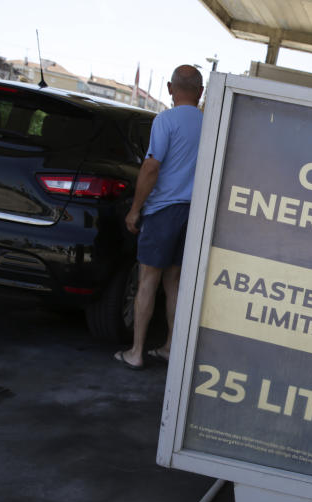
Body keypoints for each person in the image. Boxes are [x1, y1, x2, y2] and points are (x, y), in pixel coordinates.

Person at [114, 65, 204, 370]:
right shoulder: (208, 124)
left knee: (148, 281)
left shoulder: (166, 120)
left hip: (163, 211)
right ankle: (168, 347)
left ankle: (136, 351)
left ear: (169, 88)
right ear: (201, 92)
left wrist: (135, 208)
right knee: (174, 283)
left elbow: (151, 167)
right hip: (191, 213)